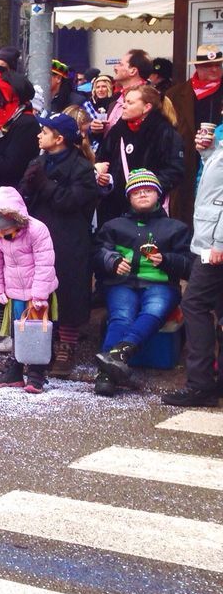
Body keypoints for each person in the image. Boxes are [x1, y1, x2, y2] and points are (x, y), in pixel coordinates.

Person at [93, 170, 191, 397]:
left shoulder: (176, 228)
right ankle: (108, 374)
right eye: (137, 192)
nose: (143, 195)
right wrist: (113, 262)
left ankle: (116, 356)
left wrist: (166, 260)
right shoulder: (114, 226)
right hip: (123, 282)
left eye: (148, 190)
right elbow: (97, 253)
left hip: (161, 285)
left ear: (158, 195)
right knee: (121, 315)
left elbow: (189, 264)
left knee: (154, 310)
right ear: (129, 198)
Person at [18, 112, 102, 379]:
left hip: (69, 237)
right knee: (40, 290)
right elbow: (23, 197)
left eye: (45, 131)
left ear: (59, 138)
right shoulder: (37, 161)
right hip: (38, 235)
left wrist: (45, 185)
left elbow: (71, 202)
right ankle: (44, 342)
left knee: (69, 289)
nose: (39, 135)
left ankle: (67, 344)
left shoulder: (82, 167)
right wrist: (29, 187)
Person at [164, 120, 223, 406]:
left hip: (214, 244)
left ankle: (200, 384)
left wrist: (219, 243)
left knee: (194, 304)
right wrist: (208, 152)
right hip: (211, 240)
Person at [0, 187, 58, 393]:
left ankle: (36, 374)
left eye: (7, 232)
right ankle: (14, 371)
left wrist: (40, 295)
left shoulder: (37, 230)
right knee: (18, 331)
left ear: (17, 221)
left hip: (38, 292)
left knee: (38, 332)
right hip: (14, 291)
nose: (3, 237)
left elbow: (45, 263)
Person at [95, 83, 184, 227]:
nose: (124, 106)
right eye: (124, 101)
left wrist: (146, 188)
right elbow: (103, 158)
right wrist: (106, 178)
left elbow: (174, 170)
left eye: (130, 102)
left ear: (146, 107)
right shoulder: (117, 131)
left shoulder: (166, 133)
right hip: (115, 208)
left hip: (149, 210)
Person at [166, 45, 223, 225]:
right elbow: (167, 129)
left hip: (219, 157)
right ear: (197, 67)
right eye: (208, 65)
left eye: (218, 65)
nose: (214, 69)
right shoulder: (175, 94)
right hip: (187, 158)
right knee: (185, 203)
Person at [0, 69, 40, 189]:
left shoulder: (26, 124)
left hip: (12, 195)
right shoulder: (9, 119)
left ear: (8, 97)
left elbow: (10, 168)